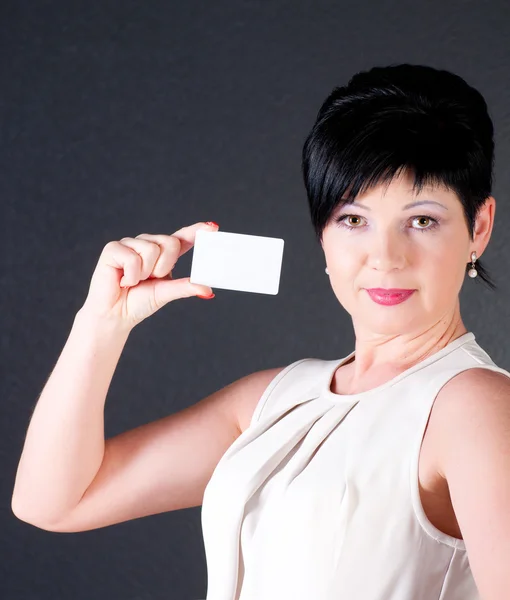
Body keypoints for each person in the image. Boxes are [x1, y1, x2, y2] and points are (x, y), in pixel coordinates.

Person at [11, 63, 510, 600]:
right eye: (354, 220)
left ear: (478, 227)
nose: (385, 258)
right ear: (322, 234)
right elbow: (55, 502)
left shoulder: (476, 406)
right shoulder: (272, 401)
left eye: (423, 221)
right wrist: (100, 325)